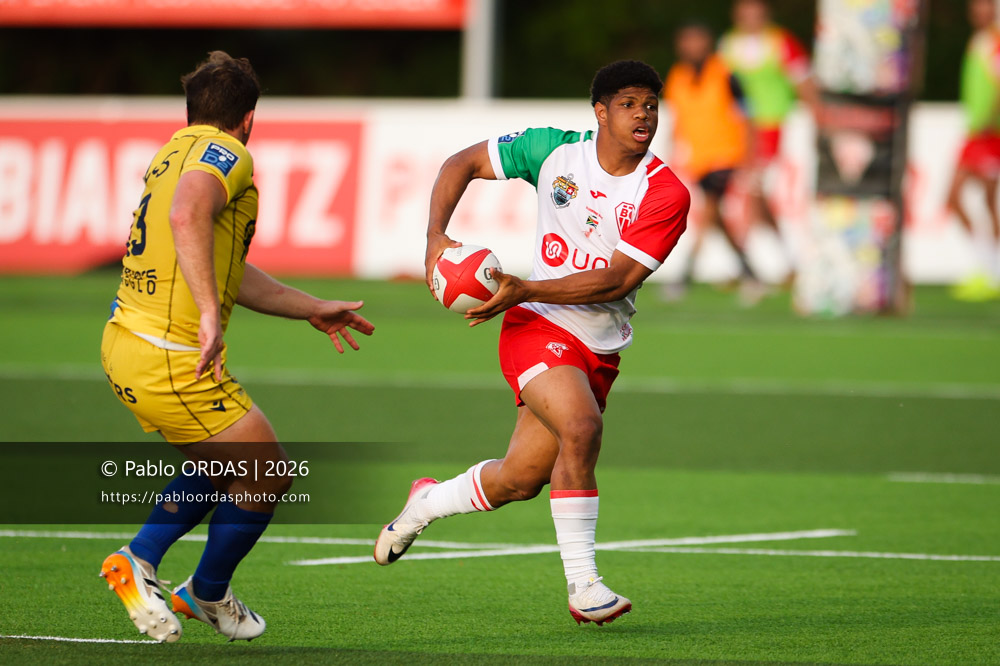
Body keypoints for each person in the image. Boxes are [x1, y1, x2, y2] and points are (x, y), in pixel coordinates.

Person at [374, 60, 689, 626]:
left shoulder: (664, 192)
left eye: (650, 104)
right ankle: (584, 585)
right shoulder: (552, 151)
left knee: (520, 479)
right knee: (582, 428)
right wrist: (435, 240)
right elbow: (461, 162)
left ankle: (427, 502)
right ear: (600, 111)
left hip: (598, 343)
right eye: (628, 103)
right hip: (536, 325)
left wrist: (524, 284)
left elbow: (617, 280)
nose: (643, 113)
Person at [99, 51, 374, 642]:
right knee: (266, 469)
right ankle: (168, 573)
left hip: (128, 343)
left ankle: (185, 579)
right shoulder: (229, 155)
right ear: (248, 118)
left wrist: (311, 307)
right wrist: (206, 314)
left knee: (229, 463)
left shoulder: (171, 152)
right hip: (170, 354)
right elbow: (187, 213)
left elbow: (226, 265)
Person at [719, 0, 821, 283]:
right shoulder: (728, 44)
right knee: (756, 195)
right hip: (739, 130)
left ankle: (744, 264)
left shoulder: (780, 42)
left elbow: (804, 79)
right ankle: (786, 259)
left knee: (751, 190)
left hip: (773, 126)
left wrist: (819, 119)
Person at [664, 20, 763, 301]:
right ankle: (751, 275)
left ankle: (683, 276)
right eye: (686, 41)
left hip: (726, 154)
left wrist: (749, 155)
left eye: (696, 40)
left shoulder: (725, 73)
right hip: (698, 159)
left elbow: (747, 114)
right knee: (715, 217)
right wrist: (673, 151)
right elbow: (678, 119)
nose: (691, 47)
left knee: (709, 212)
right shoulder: (677, 76)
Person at [947, 0, 1000, 301]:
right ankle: (985, 265)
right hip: (974, 132)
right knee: (954, 198)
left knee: (988, 200)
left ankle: (991, 271)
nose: (979, 12)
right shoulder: (978, 41)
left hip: (989, 134)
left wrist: (991, 118)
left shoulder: (994, 42)